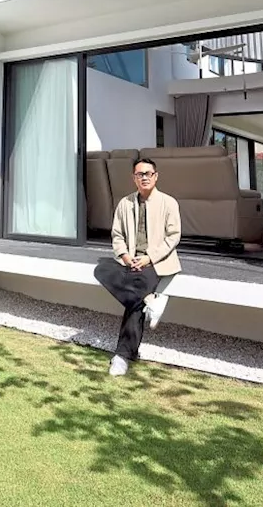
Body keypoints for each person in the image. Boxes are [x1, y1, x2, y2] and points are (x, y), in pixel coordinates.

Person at [92, 157, 181, 376]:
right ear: (134, 178)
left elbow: (173, 237)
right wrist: (124, 257)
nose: (144, 178)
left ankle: (122, 356)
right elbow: (117, 235)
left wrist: (149, 257)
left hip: (156, 262)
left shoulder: (168, 203)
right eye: (140, 174)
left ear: (156, 176)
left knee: (134, 303)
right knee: (101, 269)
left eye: (148, 173)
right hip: (131, 261)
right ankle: (150, 301)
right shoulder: (125, 203)